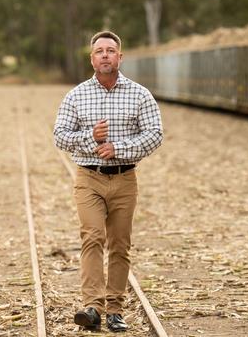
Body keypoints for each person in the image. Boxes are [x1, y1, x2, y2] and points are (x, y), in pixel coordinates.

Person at [53, 30, 163, 332]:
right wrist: (91, 138)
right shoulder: (76, 95)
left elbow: (155, 135)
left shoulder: (140, 95)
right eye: (99, 51)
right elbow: (60, 135)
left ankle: (115, 309)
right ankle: (92, 307)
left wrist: (119, 148)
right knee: (92, 237)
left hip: (125, 179)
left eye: (110, 50)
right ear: (92, 59)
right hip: (89, 178)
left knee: (119, 244)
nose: (105, 55)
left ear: (120, 56)